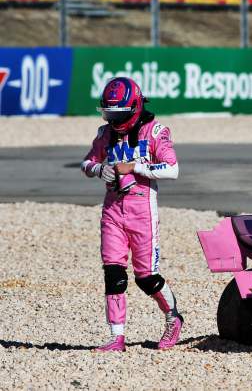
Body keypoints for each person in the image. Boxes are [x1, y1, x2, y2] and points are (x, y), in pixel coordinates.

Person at [81, 77, 183, 352]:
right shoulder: (105, 134)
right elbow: (87, 161)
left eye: (120, 113)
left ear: (135, 107)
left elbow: (172, 169)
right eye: (110, 113)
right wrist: (96, 169)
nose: (115, 119)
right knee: (113, 272)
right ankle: (117, 337)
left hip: (142, 210)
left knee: (146, 277)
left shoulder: (156, 131)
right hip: (112, 209)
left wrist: (136, 167)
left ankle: (173, 318)